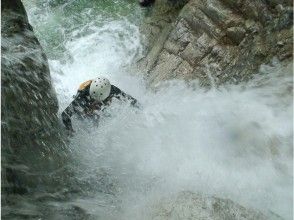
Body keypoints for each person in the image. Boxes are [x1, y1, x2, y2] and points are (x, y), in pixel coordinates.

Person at [61, 77, 139, 132]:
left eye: (98, 103)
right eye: (95, 103)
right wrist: (70, 130)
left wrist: (141, 108)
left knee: (97, 116)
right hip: (85, 95)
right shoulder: (82, 98)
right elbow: (65, 115)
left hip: (96, 93)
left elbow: (129, 99)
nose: (97, 105)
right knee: (87, 116)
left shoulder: (112, 90)